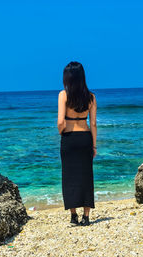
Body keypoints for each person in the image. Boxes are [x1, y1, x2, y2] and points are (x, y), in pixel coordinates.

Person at [57, 61, 97, 226]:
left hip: (69, 138)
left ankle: (73, 215)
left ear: (68, 78)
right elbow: (93, 123)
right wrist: (94, 145)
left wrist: (62, 132)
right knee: (86, 176)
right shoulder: (91, 97)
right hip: (85, 138)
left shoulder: (63, 95)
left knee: (69, 176)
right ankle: (86, 217)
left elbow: (60, 122)